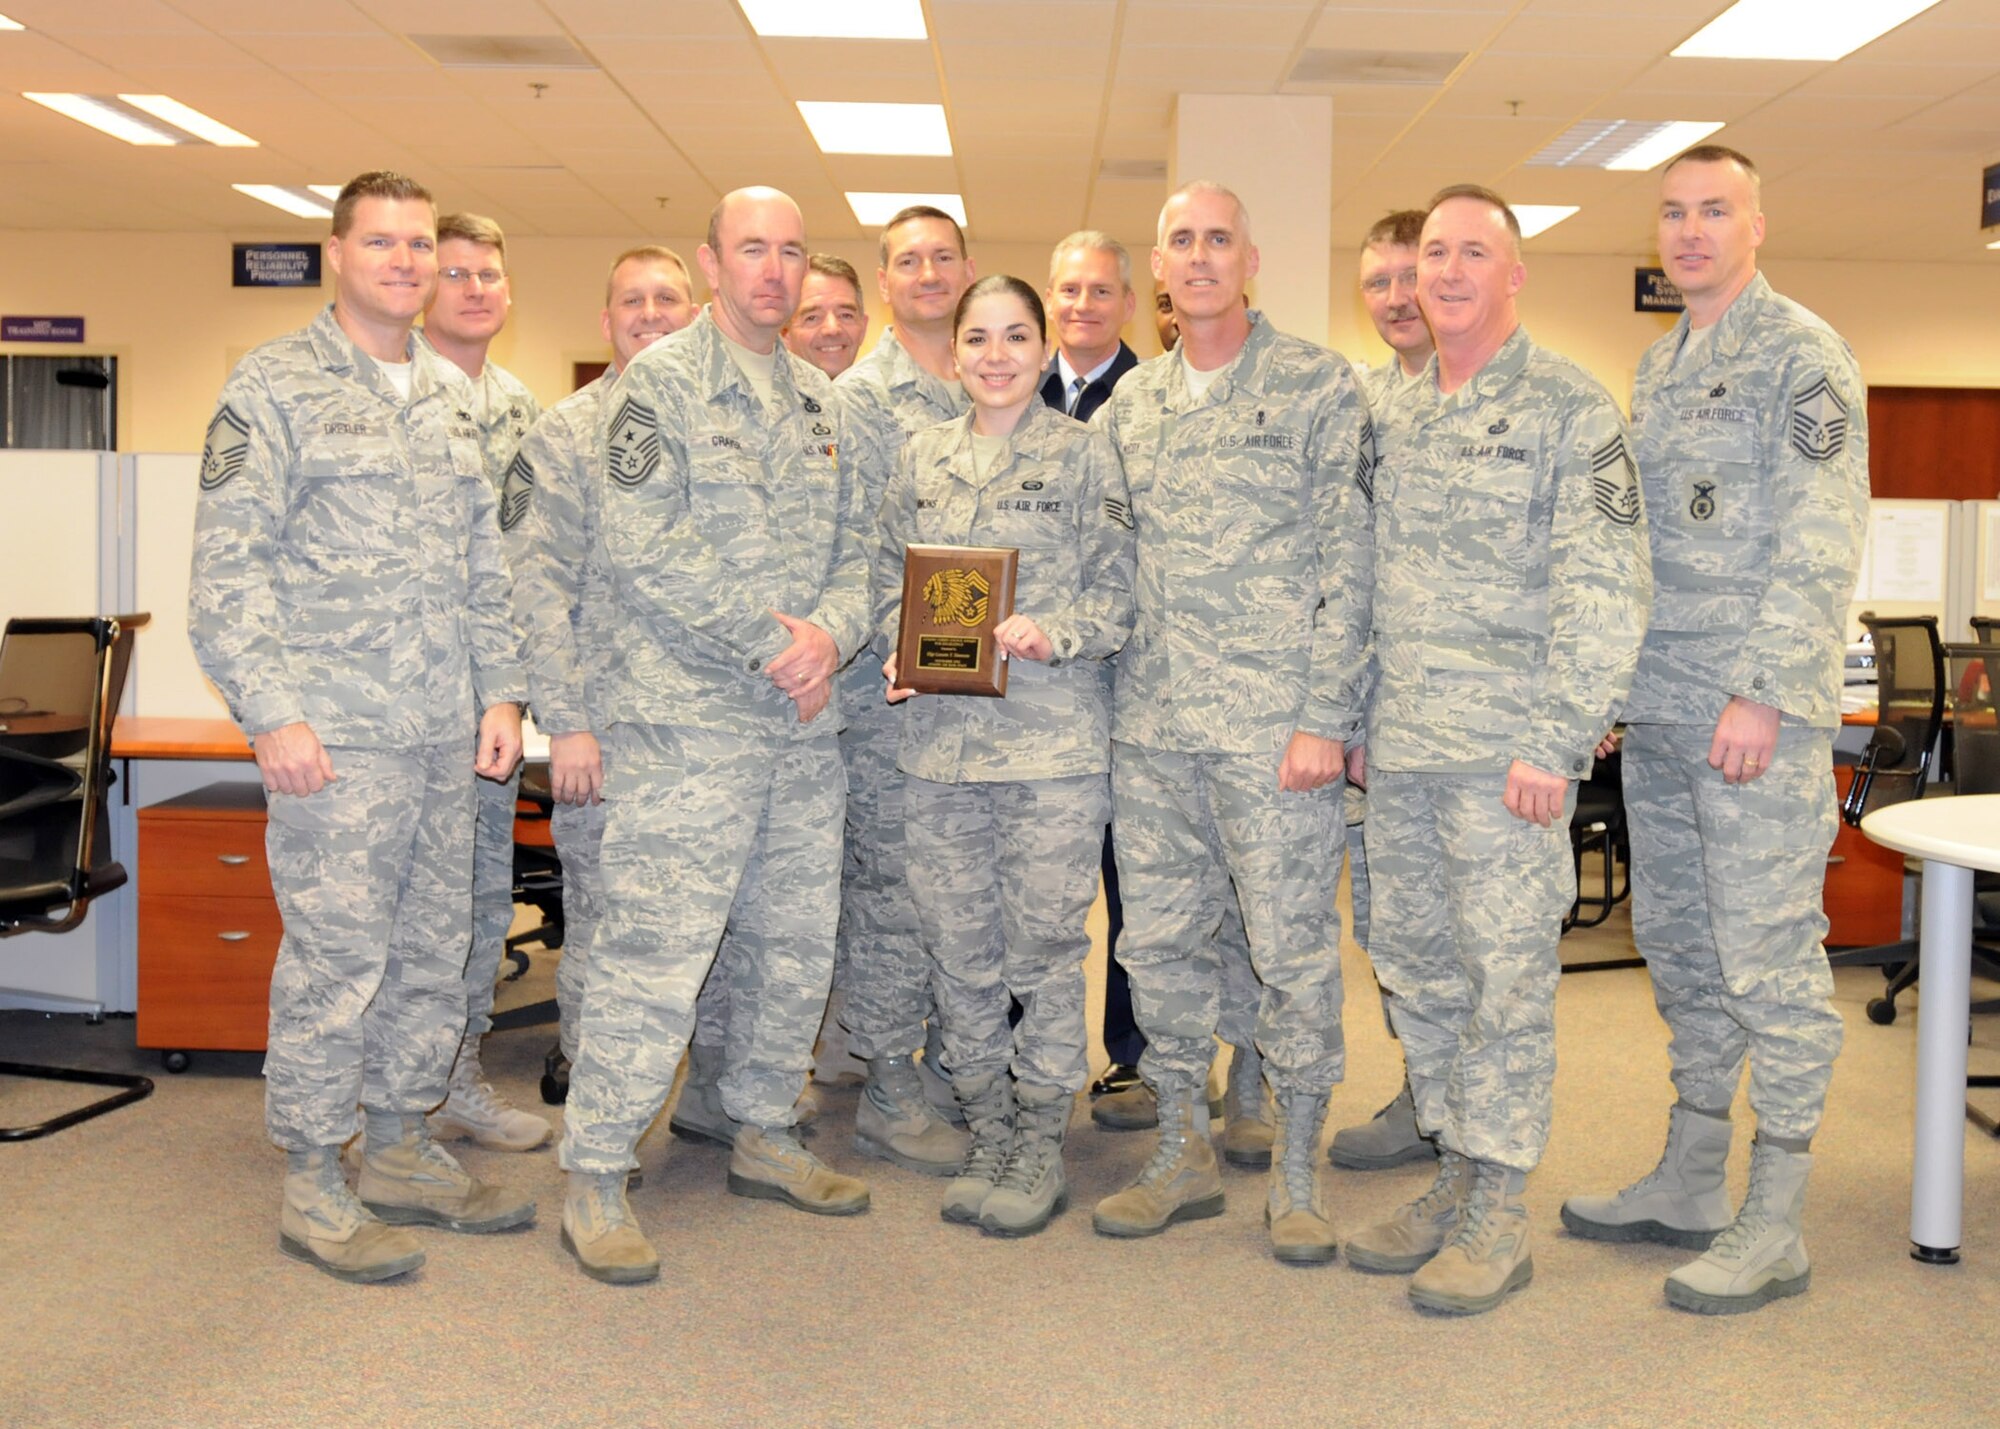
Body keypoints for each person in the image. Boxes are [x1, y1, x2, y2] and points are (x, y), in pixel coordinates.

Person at [188, 170, 533, 1284]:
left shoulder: (449, 395)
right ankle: (313, 1176)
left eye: (418, 244)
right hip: (336, 739)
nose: (403, 260)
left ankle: (398, 1144)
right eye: (379, 241)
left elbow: (488, 567)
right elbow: (225, 573)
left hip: (445, 736)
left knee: (435, 952)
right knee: (340, 961)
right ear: (336, 252)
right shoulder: (274, 386)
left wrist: (502, 694)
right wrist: (272, 713)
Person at [1560, 144, 1868, 1315]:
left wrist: (1767, 690)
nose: (1689, 231)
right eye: (1673, 211)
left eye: (1713, 210)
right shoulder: (1657, 362)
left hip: (1749, 720)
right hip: (1661, 708)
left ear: (1755, 221)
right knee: (1682, 950)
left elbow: (1819, 532)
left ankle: (1774, 1217)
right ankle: (1691, 1179)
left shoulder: (1800, 353)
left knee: (1766, 961)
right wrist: (1610, 690)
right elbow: (1640, 551)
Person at [556, 187, 874, 1284]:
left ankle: (761, 1129)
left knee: (792, 942)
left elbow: (862, 552)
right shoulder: (658, 385)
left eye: (790, 251)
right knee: (655, 954)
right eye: (753, 249)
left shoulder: (825, 401)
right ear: (712, 263)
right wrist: (769, 642)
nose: (775, 271)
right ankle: (596, 1170)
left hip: (798, 725)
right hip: (689, 723)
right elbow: (646, 544)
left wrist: (829, 634)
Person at [1347, 185, 1649, 1314]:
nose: (1450, 271)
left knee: (1503, 982)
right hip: (1406, 756)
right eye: (1434, 253)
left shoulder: (1570, 407)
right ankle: (1454, 1168)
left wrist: (1555, 737)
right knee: (1416, 970)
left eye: (1475, 251)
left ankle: (1498, 1210)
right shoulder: (1395, 412)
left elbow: (1607, 589)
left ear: (1513, 274)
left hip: (1504, 767)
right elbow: (1367, 583)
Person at [1089, 182, 1374, 1267]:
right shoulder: (1129, 410)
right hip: (1151, 730)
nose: (1199, 257)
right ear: (1155, 270)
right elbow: (1106, 573)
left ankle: (1295, 1169)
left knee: (1291, 952)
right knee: (1155, 946)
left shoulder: (1313, 386)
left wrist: (1321, 717)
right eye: (1180, 242)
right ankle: (1179, 1149)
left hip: (1272, 737)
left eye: (1218, 238)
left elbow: (1348, 567)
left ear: (1248, 257)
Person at [875, 274, 1136, 1235]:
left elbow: (1119, 599)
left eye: (1015, 336)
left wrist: (1052, 631)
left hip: (1050, 752)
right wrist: (898, 648)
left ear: (1042, 348)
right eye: (977, 337)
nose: (995, 354)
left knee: (1043, 950)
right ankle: (985, 1121)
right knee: (959, 950)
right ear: (954, 354)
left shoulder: (1085, 458)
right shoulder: (917, 457)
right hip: (938, 750)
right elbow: (880, 578)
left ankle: (1038, 1140)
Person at [1041, 232, 1267, 1163]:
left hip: (1169, 694)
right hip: (1054, 700)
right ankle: (1043, 1068)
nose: (1084, 303)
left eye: (1104, 290)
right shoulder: (1007, 384)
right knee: (1054, 893)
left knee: (1151, 894)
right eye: (1069, 289)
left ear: (1137, 301)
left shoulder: (1145, 396)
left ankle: (1144, 1061)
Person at [501, 244, 698, 1106]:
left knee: (703, 926)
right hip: (607, 737)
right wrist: (568, 723)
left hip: (709, 732)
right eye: (632, 300)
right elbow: (535, 592)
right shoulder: (564, 433)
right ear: (606, 318)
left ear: (695, 310)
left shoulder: (719, 426)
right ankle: (592, 1085)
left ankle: (695, 1094)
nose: (650, 313)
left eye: (667, 298)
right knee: (609, 924)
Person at [831, 204, 978, 1176]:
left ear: (966, 270)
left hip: (975, 695)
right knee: (889, 891)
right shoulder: (855, 399)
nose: (926, 273)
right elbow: (845, 552)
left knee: (951, 890)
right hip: (883, 693)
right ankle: (887, 1081)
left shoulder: (995, 377)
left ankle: (935, 1064)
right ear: (885, 282)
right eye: (907, 261)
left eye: (942, 258)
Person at [414, 212, 550, 1154]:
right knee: (400, 917)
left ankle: (454, 1077)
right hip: (399, 702)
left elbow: (528, 561)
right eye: (454, 272)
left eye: (488, 275)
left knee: (476, 904)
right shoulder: (394, 391)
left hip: (491, 705)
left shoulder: (521, 409)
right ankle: (393, 1100)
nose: (473, 289)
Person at [1328, 209, 1437, 1174]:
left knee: (1476, 943)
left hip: (1475, 733)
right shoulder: (1359, 405)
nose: (1399, 299)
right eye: (1379, 282)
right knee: (1395, 933)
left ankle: (1475, 1135)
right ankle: (1423, 1098)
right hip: (1379, 729)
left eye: (1415, 274)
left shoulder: (1517, 401)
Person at [784, 253, 869, 379]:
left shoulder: (884, 396)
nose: (832, 329)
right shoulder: (759, 396)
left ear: (863, 328)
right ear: (784, 334)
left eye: (846, 315)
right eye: (812, 318)